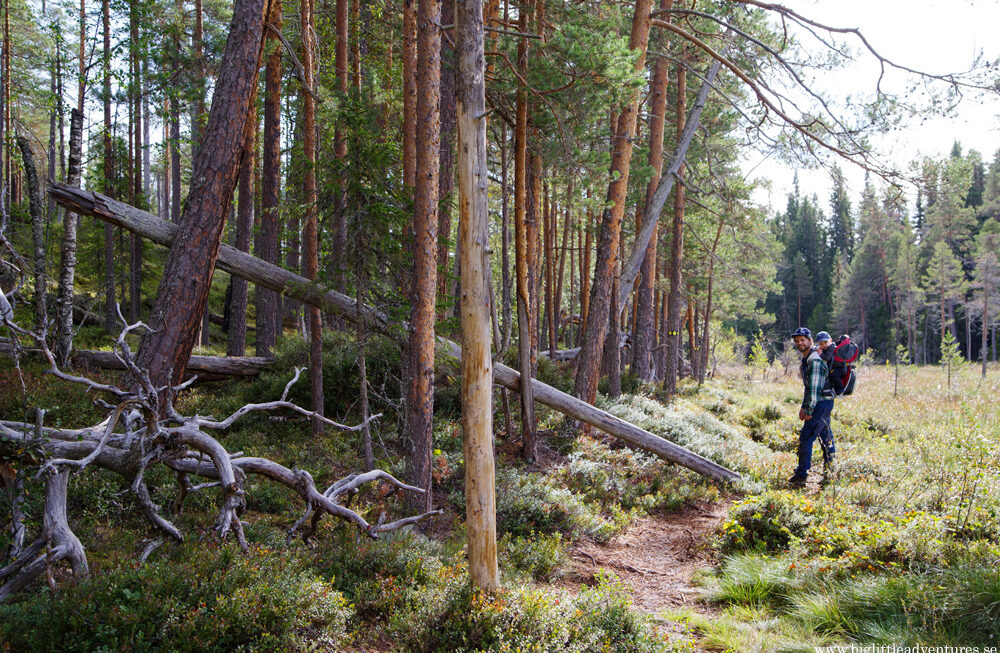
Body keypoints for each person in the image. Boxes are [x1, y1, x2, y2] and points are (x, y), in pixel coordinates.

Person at [787, 327, 836, 487]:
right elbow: (809, 388)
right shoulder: (809, 358)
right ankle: (831, 473)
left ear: (810, 341)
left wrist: (808, 410)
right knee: (826, 436)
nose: (799, 343)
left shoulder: (814, 359)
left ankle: (802, 475)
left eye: (802, 340)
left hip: (820, 403)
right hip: (823, 401)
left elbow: (814, 389)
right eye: (797, 341)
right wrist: (803, 406)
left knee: (806, 437)